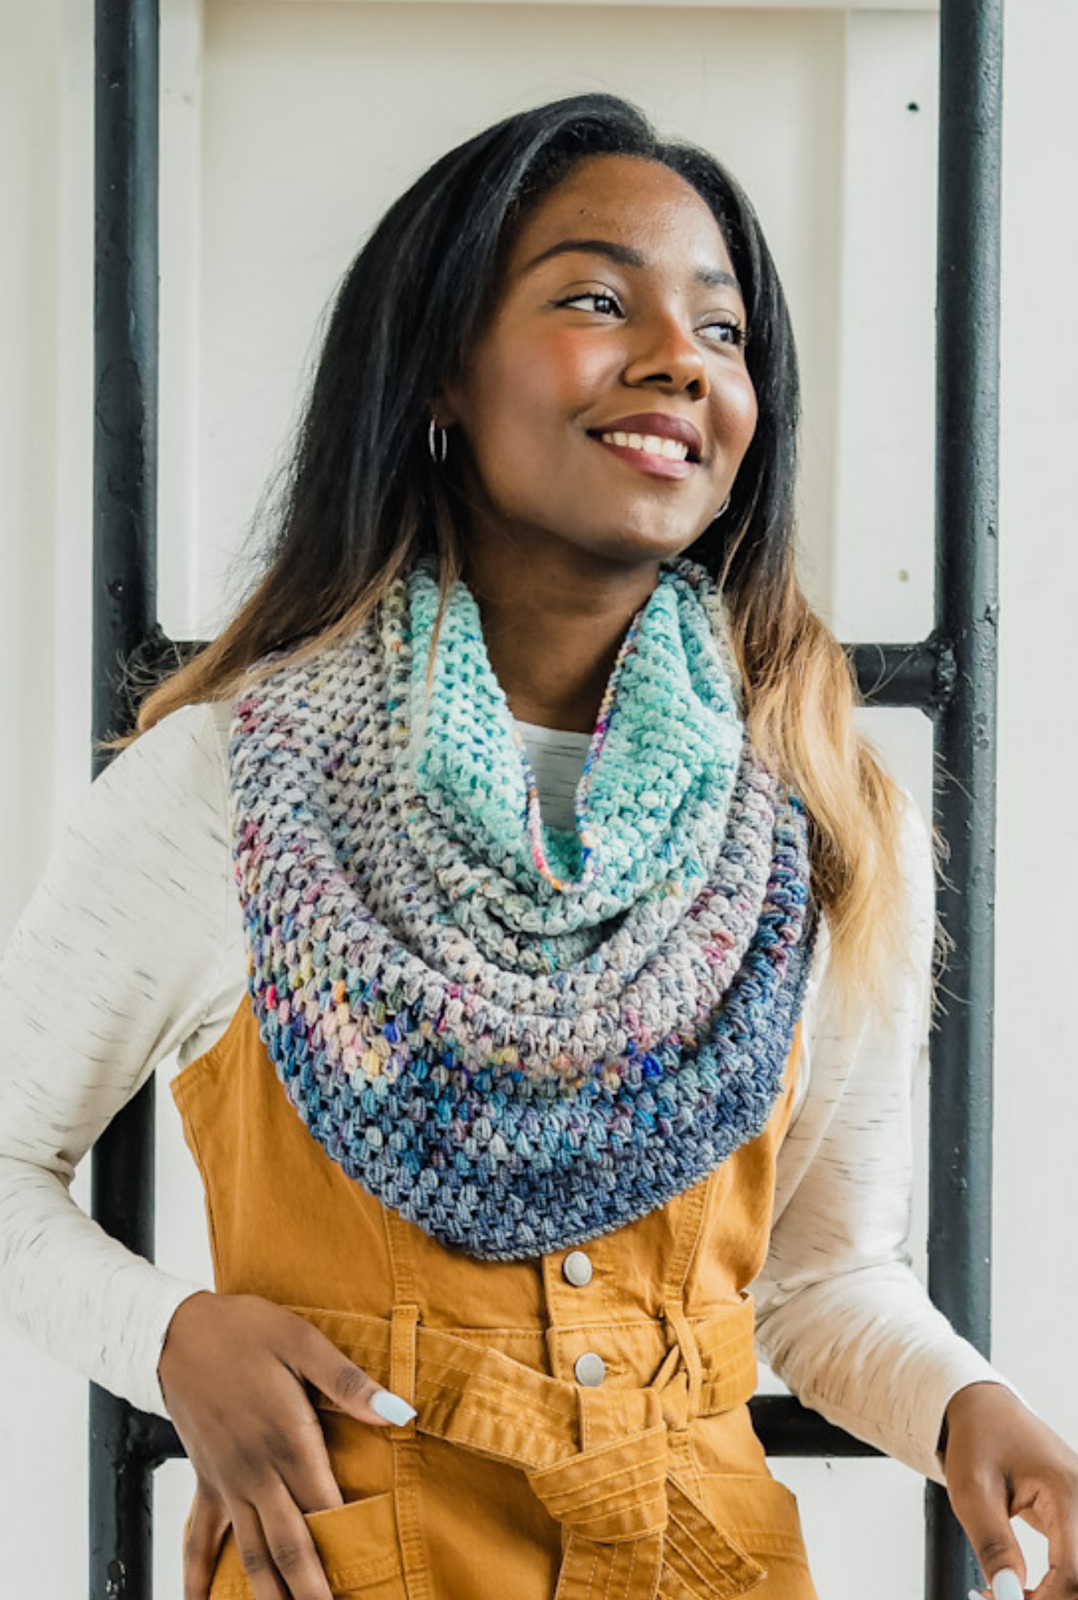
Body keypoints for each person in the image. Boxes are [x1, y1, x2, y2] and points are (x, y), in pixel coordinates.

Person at [0, 93, 1075, 1600]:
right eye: (593, 300)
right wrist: (168, 1339)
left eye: (721, 330)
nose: (678, 361)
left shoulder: (815, 818)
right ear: (441, 368)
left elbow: (823, 1280)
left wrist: (973, 1409)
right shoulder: (229, 793)